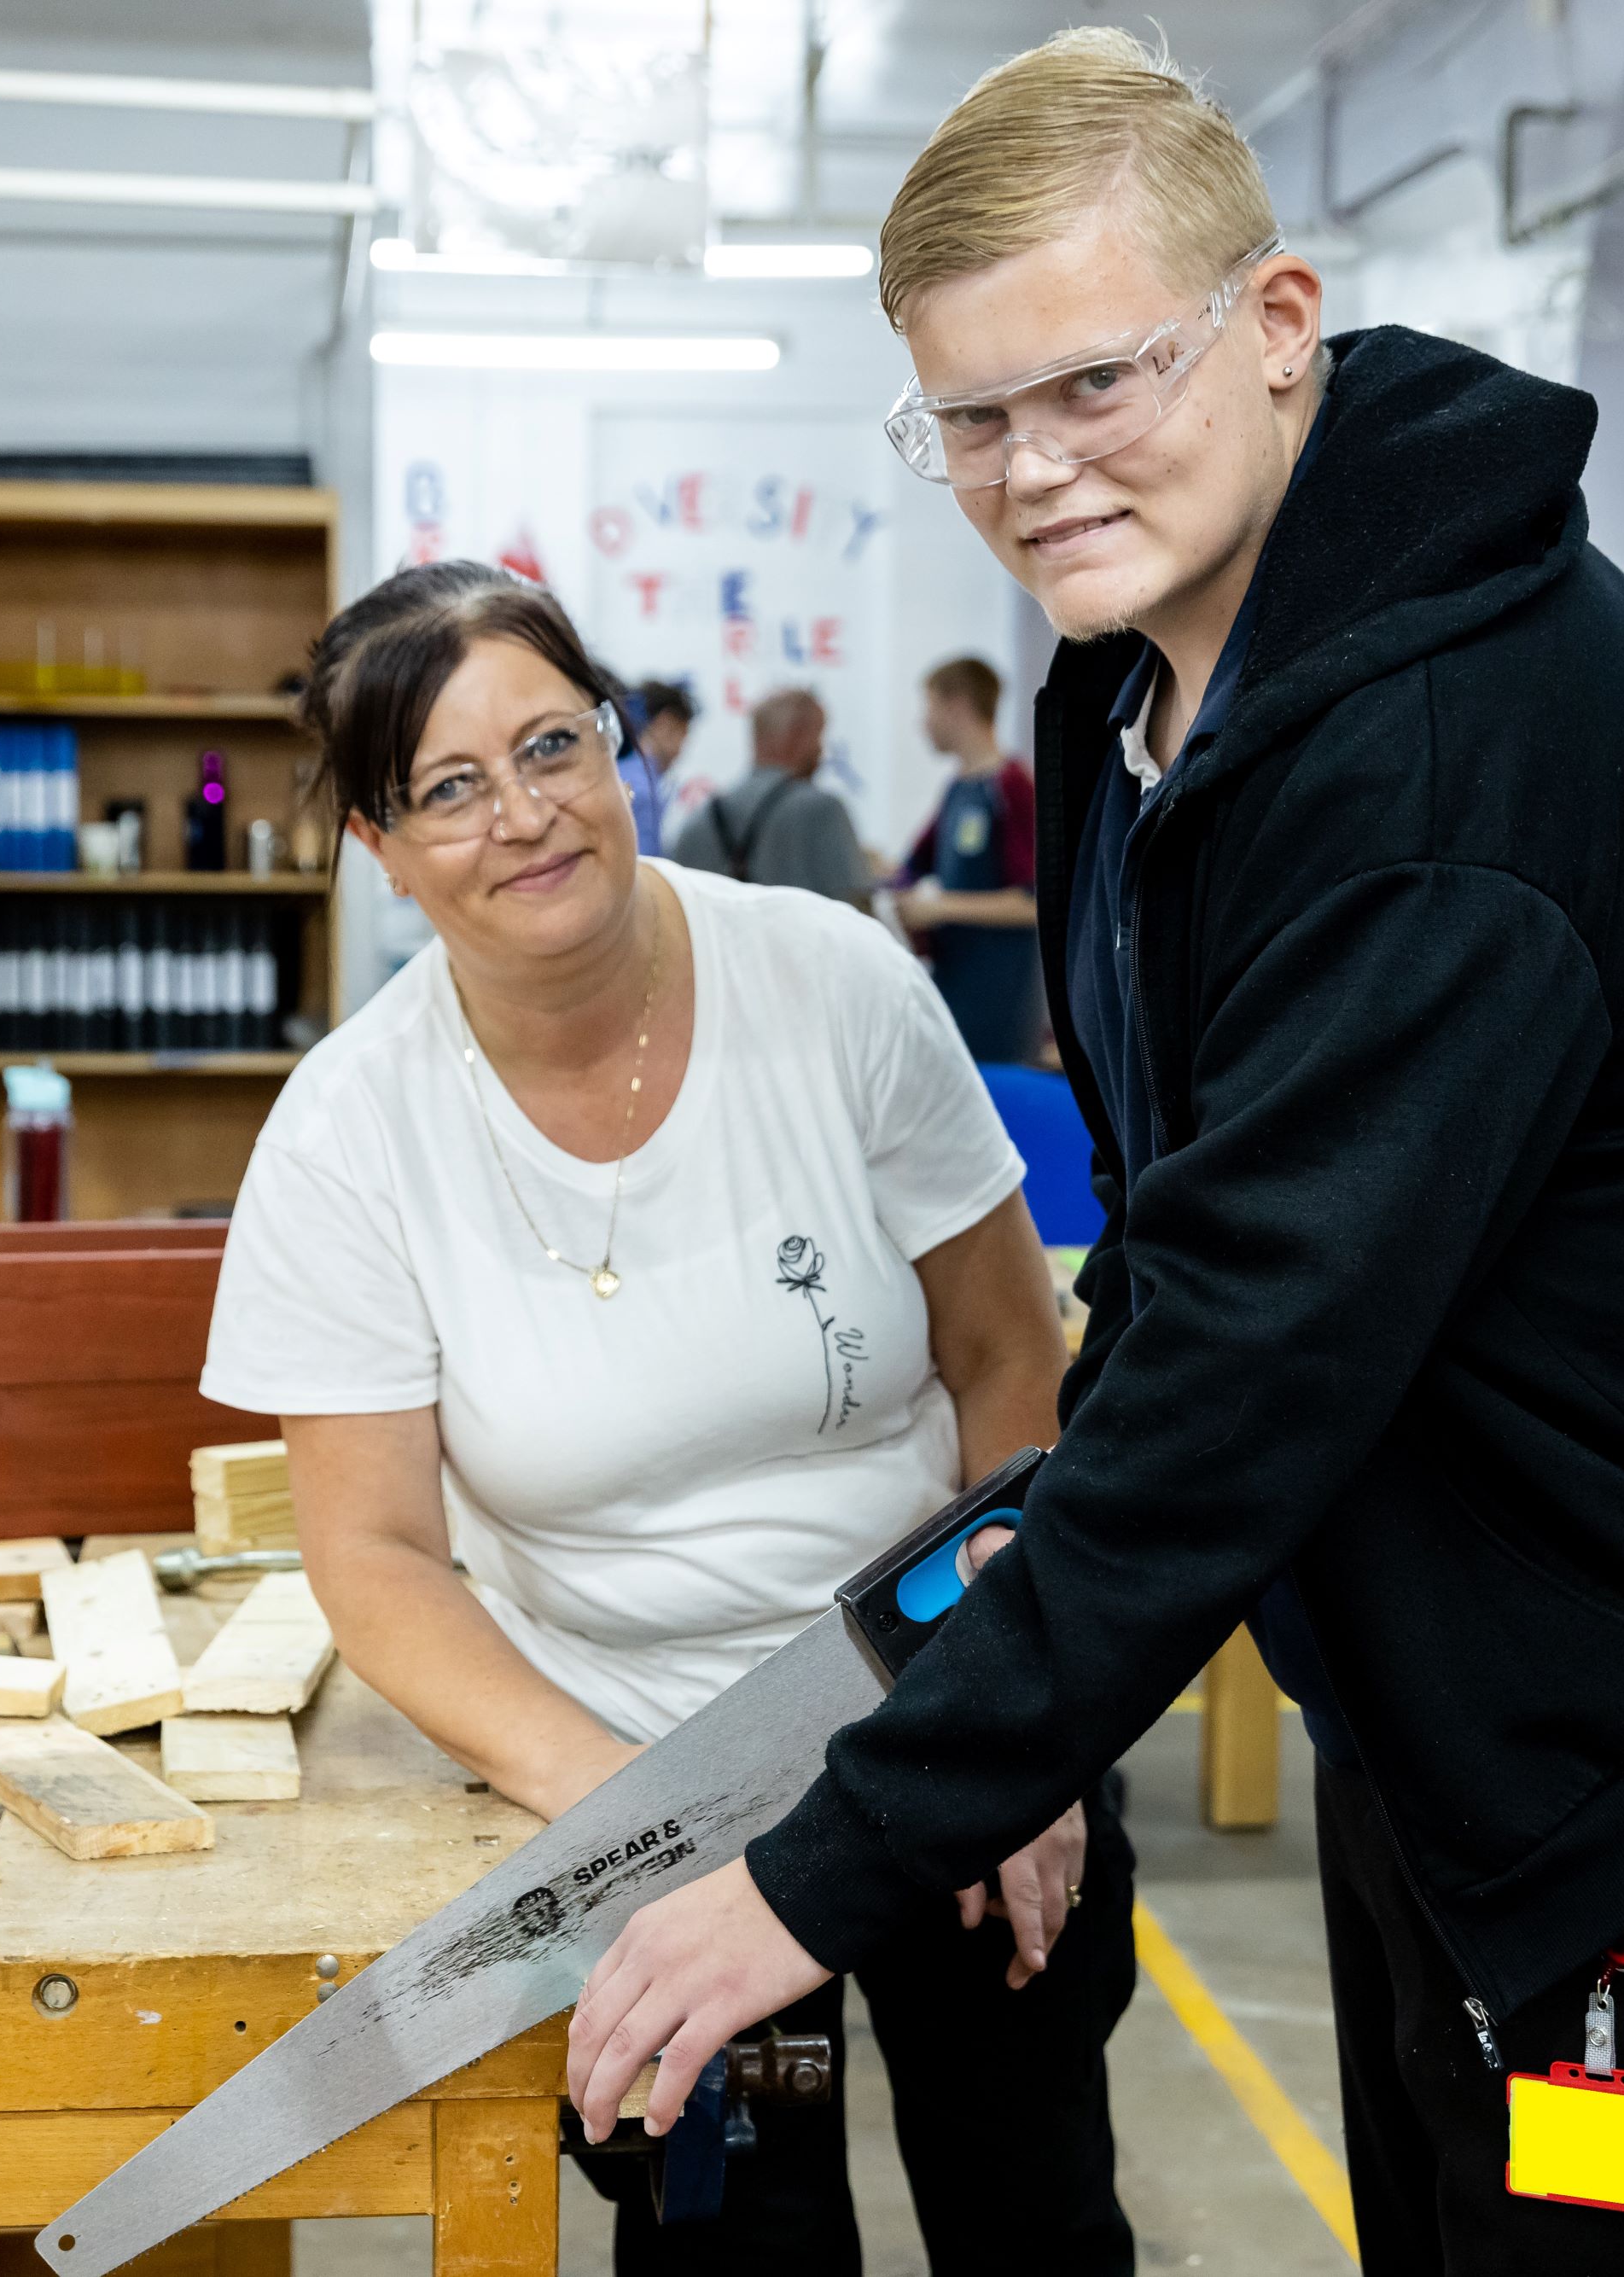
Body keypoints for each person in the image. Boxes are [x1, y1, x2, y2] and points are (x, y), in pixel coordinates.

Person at [568, 32, 1624, 2276]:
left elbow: (1251, 1379)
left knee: (1615, 2226)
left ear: (1278, 329)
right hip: (1470, 1655)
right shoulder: (1148, 686)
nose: (1033, 468)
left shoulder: (1448, 768)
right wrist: (1002, 1671)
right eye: (969, 417)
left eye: (1093, 384)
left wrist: (820, 1867)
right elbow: (1182, 1246)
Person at [202, 561, 1136, 2276]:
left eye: (553, 743)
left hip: (939, 1689)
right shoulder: (347, 1135)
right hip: (618, 1738)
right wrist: (632, 1823)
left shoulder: (830, 981)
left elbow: (1011, 1360)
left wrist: (1024, 1721)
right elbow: (377, 1553)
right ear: (377, 847)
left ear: (622, 747)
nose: (526, 813)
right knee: (731, 2244)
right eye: (449, 786)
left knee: (1036, 2210)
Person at [893, 655, 1045, 1063]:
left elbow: (1034, 903)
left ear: (956, 705)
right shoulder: (958, 789)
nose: (922, 724)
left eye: (928, 708)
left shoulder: (1011, 786)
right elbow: (909, 870)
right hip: (954, 983)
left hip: (1000, 998)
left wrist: (942, 907)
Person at [671, 688, 870, 908]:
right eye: (818, 737)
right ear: (797, 736)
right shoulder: (823, 811)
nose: (821, 751)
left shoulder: (698, 823)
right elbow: (858, 907)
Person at [623, 678, 695, 856]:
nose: (681, 750)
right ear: (665, 724)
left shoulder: (625, 771)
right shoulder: (641, 787)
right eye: (682, 735)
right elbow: (645, 866)